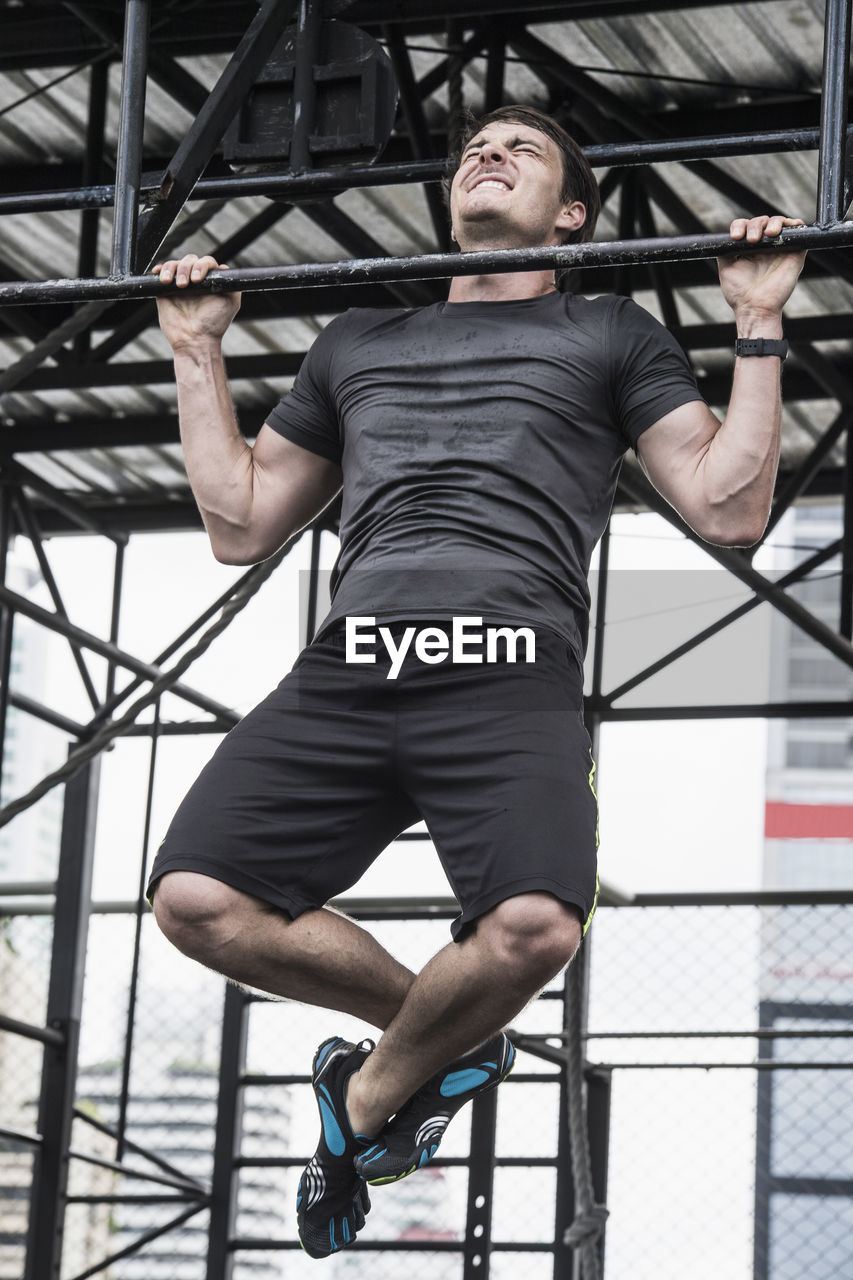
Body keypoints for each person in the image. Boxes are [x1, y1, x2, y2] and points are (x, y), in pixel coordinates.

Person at [147, 106, 806, 1257]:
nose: (484, 155)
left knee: (535, 925)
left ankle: (360, 1104)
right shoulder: (358, 341)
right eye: (471, 148)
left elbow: (730, 504)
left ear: (570, 214)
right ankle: (442, 1042)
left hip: (506, 664)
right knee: (197, 899)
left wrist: (755, 318)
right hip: (355, 661)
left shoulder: (608, 328)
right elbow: (240, 520)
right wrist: (195, 345)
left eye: (521, 149)